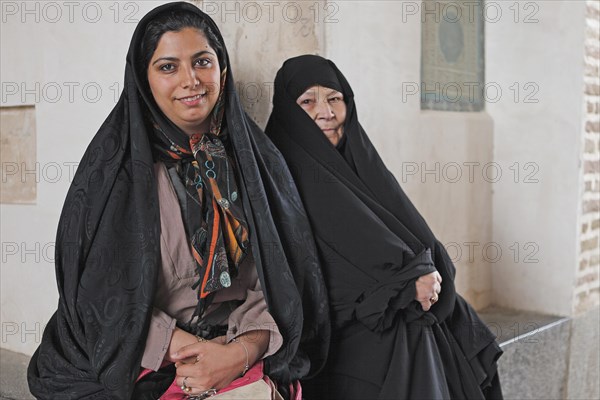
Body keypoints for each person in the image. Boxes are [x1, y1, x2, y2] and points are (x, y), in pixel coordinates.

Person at [27, 5, 329, 400]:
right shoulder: (116, 176)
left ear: (222, 69)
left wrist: (236, 354)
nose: (191, 81)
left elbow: (282, 281)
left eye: (202, 61)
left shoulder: (258, 166)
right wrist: (193, 354)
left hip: (236, 346)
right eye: (168, 67)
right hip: (139, 356)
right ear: (143, 79)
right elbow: (100, 300)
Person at [265, 54, 503, 400]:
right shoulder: (284, 170)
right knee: (410, 334)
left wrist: (423, 272)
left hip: (391, 298)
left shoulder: (357, 156)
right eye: (307, 101)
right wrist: (402, 287)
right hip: (336, 323)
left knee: (463, 325)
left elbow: (407, 227)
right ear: (288, 110)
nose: (325, 112)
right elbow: (307, 265)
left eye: (335, 98)